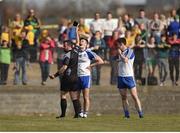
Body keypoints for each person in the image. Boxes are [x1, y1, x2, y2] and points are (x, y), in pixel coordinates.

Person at [49, 40, 81, 118]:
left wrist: (55, 75)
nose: (64, 47)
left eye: (65, 45)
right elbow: (77, 42)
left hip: (67, 77)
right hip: (75, 77)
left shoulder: (67, 55)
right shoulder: (76, 52)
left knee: (63, 95)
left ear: (69, 46)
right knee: (74, 96)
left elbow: (64, 67)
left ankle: (63, 115)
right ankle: (77, 114)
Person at [115, 37, 143, 118]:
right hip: (121, 77)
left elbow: (126, 60)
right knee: (123, 97)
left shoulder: (130, 51)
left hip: (129, 77)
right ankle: (126, 115)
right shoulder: (120, 52)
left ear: (122, 44)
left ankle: (140, 113)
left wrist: (120, 54)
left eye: (118, 45)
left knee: (134, 96)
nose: (117, 47)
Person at [78, 37, 104, 118]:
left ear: (86, 44)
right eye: (80, 41)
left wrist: (91, 66)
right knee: (77, 96)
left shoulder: (89, 52)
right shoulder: (76, 52)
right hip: (77, 76)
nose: (81, 43)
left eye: (83, 41)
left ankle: (85, 112)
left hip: (86, 76)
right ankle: (80, 111)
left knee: (85, 96)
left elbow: (101, 61)